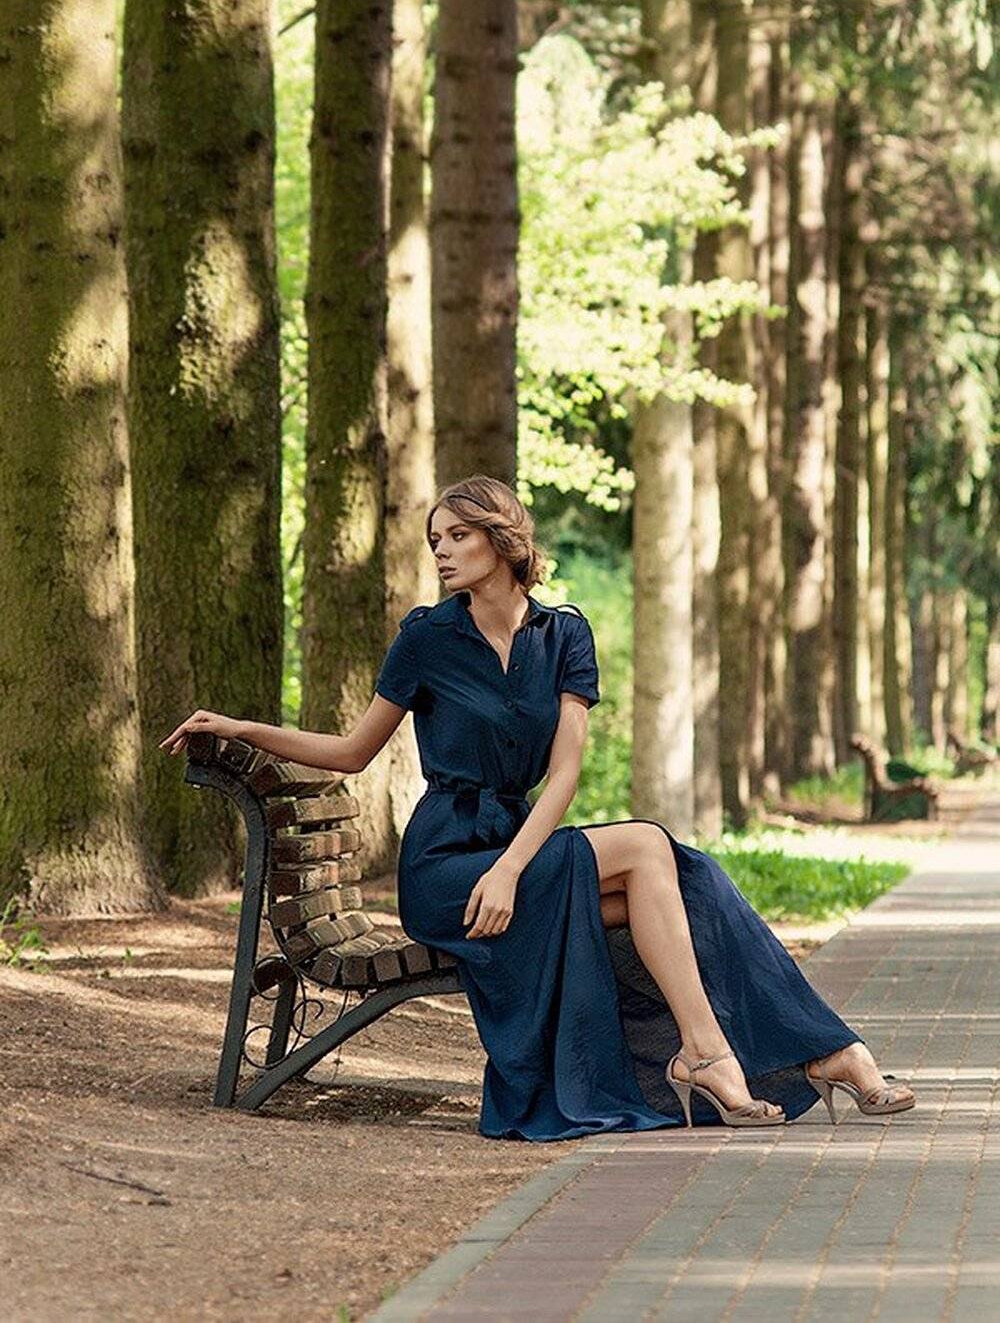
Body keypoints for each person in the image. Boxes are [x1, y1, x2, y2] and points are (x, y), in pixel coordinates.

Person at [161, 474, 915, 1142]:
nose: (443, 552)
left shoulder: (565, 635)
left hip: (515, 857)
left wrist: (514, 869)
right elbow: (354, 750)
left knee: (683, 877)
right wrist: (238, 727)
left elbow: (564, 773)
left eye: (459, 536)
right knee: (652, 849)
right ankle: (791, 1050)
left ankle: (773, 1051)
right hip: (450, 868)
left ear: (502, 540)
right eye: (436, 540)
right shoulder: (427, 638)